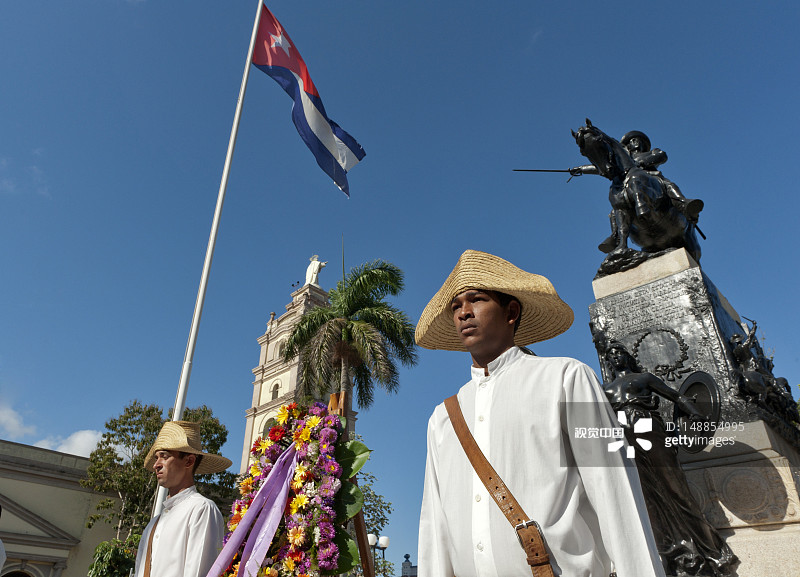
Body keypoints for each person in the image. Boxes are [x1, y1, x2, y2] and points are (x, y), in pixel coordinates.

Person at [415, 250, 665, 577]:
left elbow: (616, 494)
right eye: (456, 305)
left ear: (511, 311)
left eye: (476, 299)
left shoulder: (568, 379)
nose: (463, 312)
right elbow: (435, 529)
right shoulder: (443, 419)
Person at [602, 342, 737, 577]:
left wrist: (695, 413)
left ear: (626, 356)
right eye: (611, 354)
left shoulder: (643, 378)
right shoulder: (605, 390)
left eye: (619, 352)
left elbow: (677, 397)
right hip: (624, 438)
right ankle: (674, 557)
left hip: (649, 430)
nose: (615, 357)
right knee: (647, 497)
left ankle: (712, 551)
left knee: (676, 488)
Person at [134, 421, 233, 577]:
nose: (156, 465)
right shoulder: (154, 523)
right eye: (156, 458)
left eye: (164, 456)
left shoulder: (201, 509)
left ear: (189, 461)